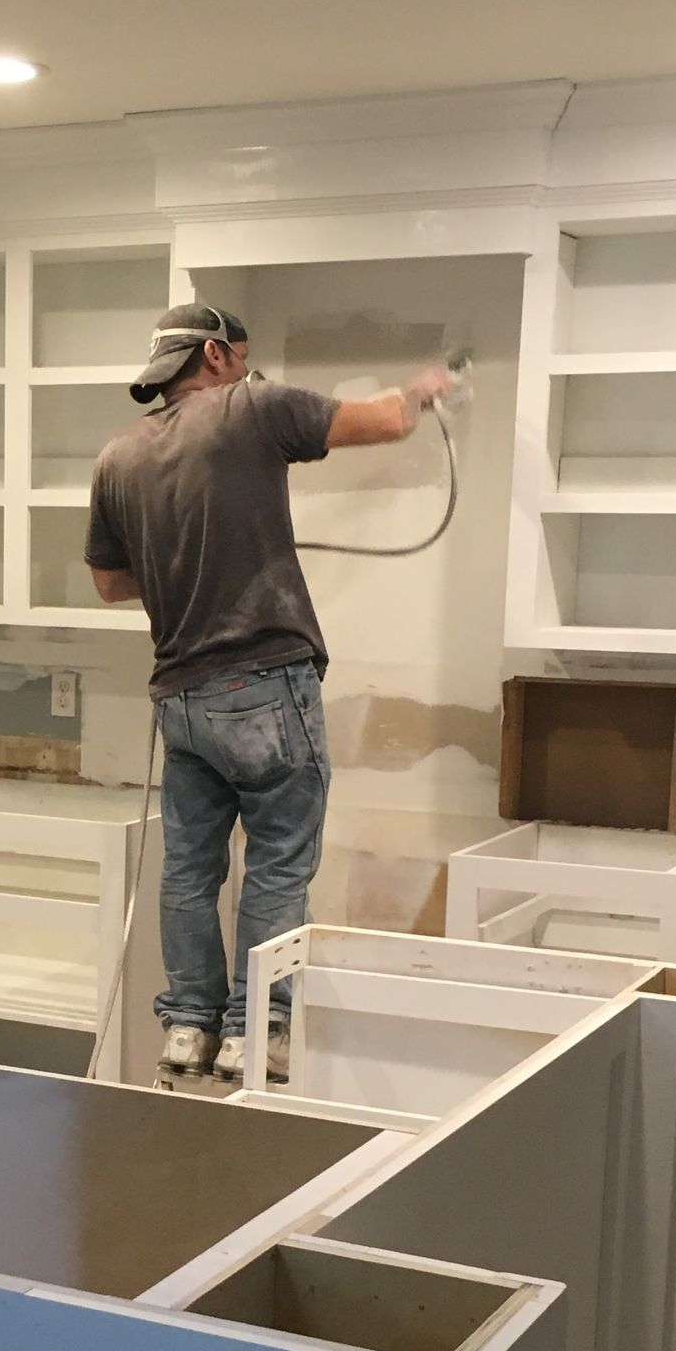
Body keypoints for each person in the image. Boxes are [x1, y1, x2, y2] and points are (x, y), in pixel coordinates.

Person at [84, 302, 456, 1081]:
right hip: (263, 684)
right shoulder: (251, 408)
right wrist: (424, 389)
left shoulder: (117, 456)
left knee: (190, 869)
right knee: (280, 862)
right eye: (243, 358)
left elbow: (111, 584)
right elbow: (385, 421)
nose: (248, 371)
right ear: (215, 355)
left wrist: (184, 562)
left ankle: (188, 1027)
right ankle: (257, 1029)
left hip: (181, 699)